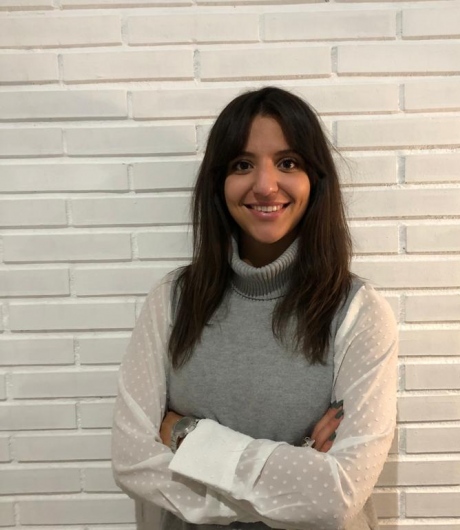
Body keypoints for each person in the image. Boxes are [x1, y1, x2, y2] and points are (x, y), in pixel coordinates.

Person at [111, 86, 398, 530]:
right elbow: (132, 462)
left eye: (288, 163)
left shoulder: (359, 312)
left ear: (315, 178)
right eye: (242, 165)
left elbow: (337, 496)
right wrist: (298, 470)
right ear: (219, 182)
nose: (265, 185)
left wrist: (187, 436)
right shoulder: (171, 301)